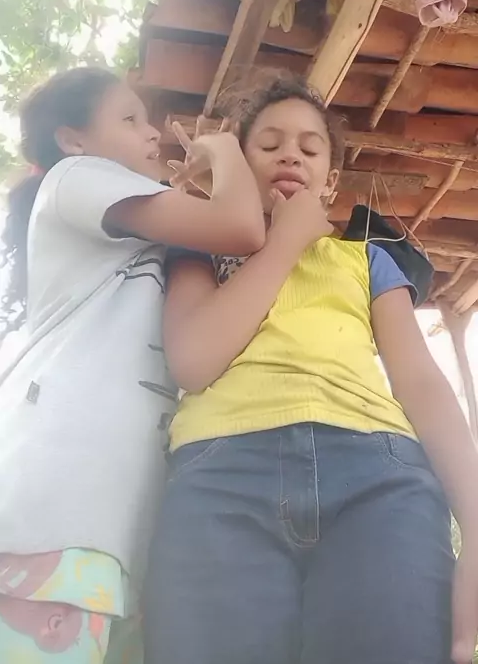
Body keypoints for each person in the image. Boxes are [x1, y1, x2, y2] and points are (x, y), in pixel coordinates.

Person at [145, 70, 478, 664]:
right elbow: (193, 362)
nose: (290, 155)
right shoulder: (202, 248)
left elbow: (421, 383)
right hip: (222, 476)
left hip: (380, 478)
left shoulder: (366, 259)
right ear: (240, 166)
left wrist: (474, 521)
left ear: (331, 180)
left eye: (309, 147)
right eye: (268, 144)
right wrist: (284, 239)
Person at [0, 66, 265, 664]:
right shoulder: (75, 177)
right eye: (129, 119)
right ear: (73, 140)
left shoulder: (138, 233)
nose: (153, 134)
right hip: (56, 517)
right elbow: (241, 227)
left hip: (107, 535)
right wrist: (223, 149)